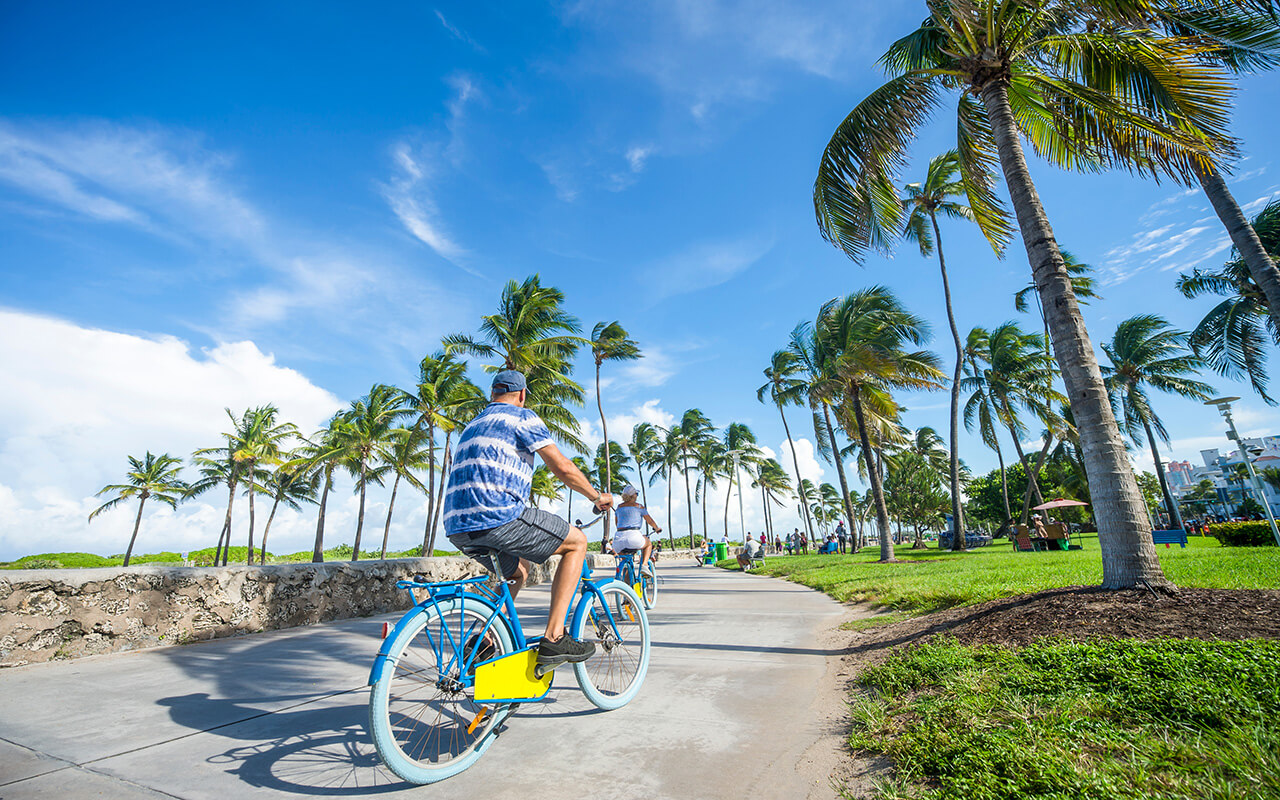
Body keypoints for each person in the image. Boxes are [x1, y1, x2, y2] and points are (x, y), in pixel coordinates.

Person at [444, 370, 614, 671]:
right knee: (577, 542)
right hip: (498, 516)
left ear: (492, 393)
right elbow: (561, 467)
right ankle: (554, 637)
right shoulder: (521, 417)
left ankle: (481, 642)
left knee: (519, 571)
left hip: (457, 527)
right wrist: (595, 496)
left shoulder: (473, 425)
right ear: (522, 395)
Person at [613, 485, 661, 571]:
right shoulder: (639, 507)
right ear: (633, 496)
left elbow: (617, 524)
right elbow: (650, 521)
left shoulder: (619, 507)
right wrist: (656, 528)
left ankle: (627, 582)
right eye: (636, 494)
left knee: (626, 565)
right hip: (633, 537)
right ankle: (645, 565)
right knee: (648, 544)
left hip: (618, 540)